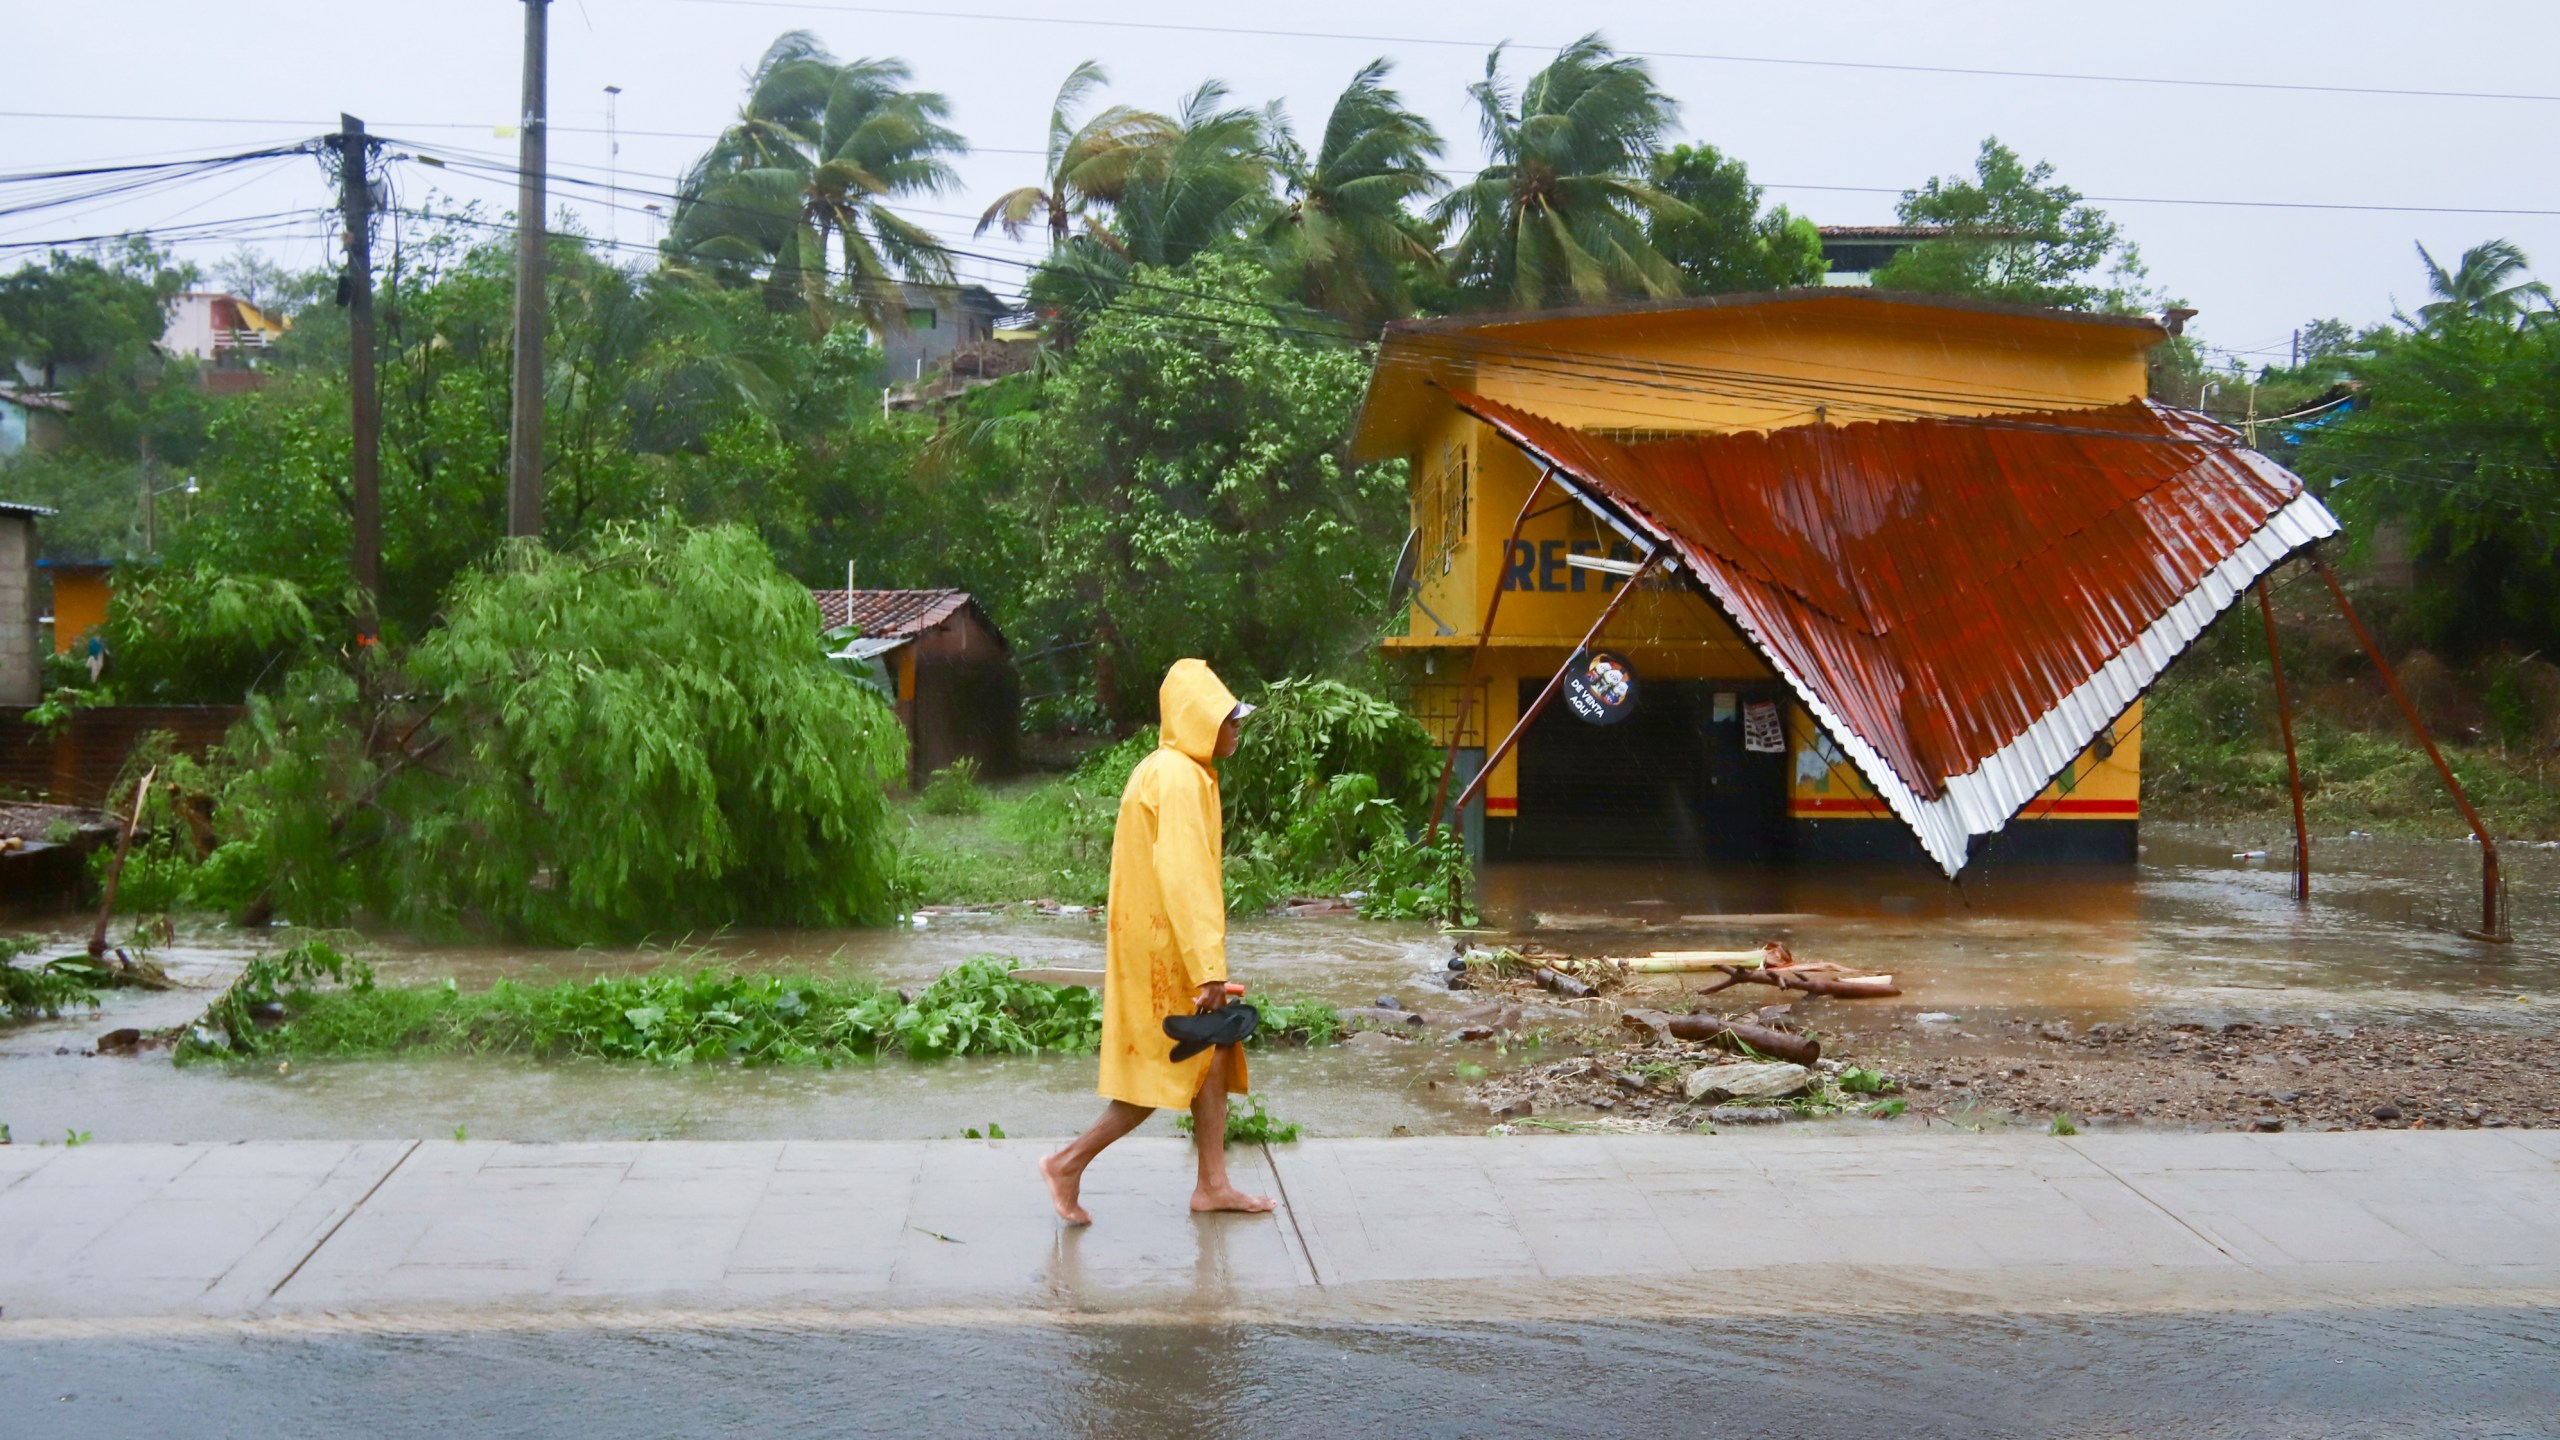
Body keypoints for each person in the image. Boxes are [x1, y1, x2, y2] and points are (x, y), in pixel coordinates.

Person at [1041, 658, 1276, 1226]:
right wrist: (1207, 970)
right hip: (1163, 956)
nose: (1236, 729)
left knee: (1212, 1051)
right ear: (1201, 720)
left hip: (1153, 946)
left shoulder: (1169, 770)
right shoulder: (1179, 779)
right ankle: (1068, 1163)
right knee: (1158, 1072)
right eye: (1229, 719)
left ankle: (1212, 1183)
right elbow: (1185, 876)